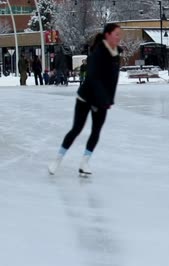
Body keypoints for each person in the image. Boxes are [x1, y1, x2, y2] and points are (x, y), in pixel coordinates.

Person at [48, 23, 123, 177]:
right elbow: (93, 78)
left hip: (103, 101)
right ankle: (57, 159)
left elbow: (112, 81)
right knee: (77, 129)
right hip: (86, 97)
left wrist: (108, 100)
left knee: (96, 131)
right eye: (116, 34)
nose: (118, 37)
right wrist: (99, 100)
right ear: (107, 35)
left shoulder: (116, 54)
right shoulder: (97, 53)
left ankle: (84, 162)